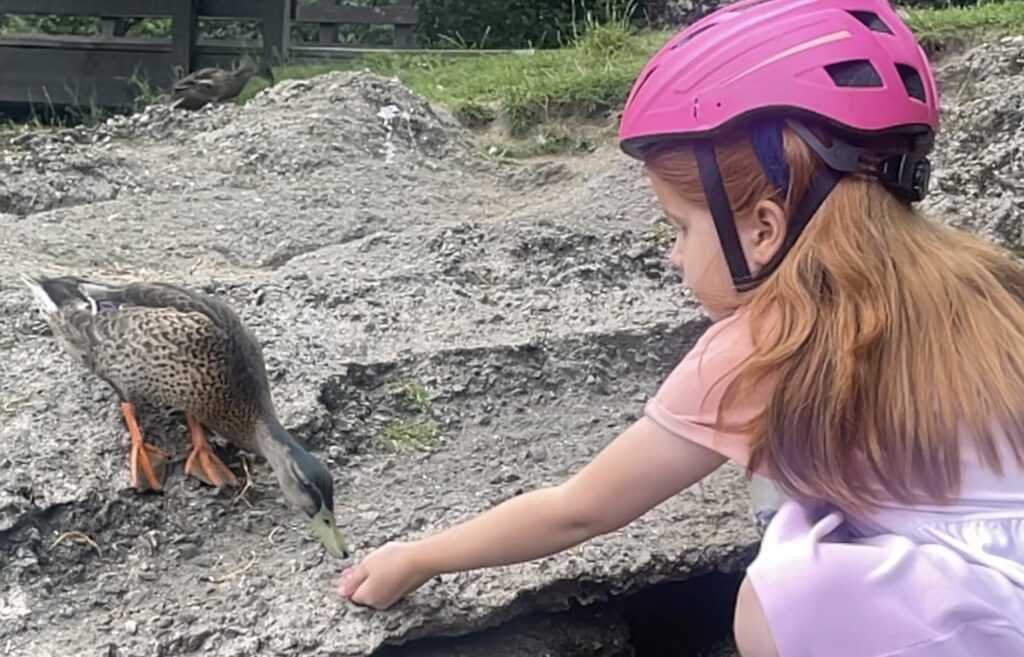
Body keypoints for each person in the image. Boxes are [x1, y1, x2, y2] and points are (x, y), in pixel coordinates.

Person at [337, 0, 1024, 654]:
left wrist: (419, 558)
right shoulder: (989, 283)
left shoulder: (768, 341)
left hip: (977, 615)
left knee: (780, 597)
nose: (673, 253)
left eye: (680, 227)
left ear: (763, 228)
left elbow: (580, 509)